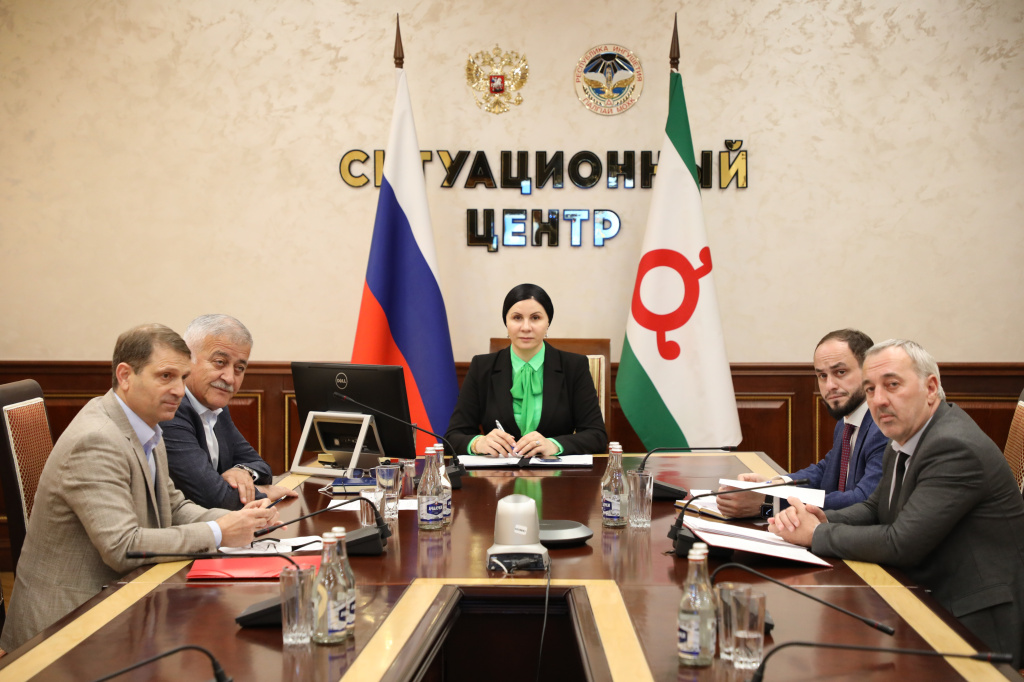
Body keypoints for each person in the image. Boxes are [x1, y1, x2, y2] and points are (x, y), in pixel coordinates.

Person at [0, 324, 279, 652]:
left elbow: (173, 505)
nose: (179, 390)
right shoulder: (96, 439)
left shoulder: (147, 425)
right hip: (67, 628)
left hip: (123, 599)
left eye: (182, 377)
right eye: (165, 376)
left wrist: (240, 522)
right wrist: (218, 532)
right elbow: (123, 547)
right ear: (125, 376)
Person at [769, 339, 1024, 665]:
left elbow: (901, 542)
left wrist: (816, 534)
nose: (878, 400)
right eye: (870, 389)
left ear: (930, 388)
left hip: (973, 620)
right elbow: (874, 507)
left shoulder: (953, 446)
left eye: (892, 385)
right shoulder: (905, 434)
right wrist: (822, 519)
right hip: (925, 592)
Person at [717, 329, 887, 517]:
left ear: (869, 371)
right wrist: (774, 485)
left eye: (840, 372)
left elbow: (863, 501)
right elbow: (826, 470)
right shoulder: (847, 421)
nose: (830, 385)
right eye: (822, 376)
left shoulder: (883, 427)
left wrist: (769, 501)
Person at [445, 283, 608, 457]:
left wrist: (554, 445)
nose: (526, 327)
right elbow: (453, 436)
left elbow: (596, 435)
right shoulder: (481, 367)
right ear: (506, 322)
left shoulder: (574, 366)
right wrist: (478, 443)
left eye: (535, 318)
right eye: (517, 318)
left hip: (556, 472)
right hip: (498, 472)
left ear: (548, 323)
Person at [161, 314, 297, 509]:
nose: (230, 378)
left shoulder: (217, 407)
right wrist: (264, 492)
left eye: (239, 368)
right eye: (220, 362)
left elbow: (260, 466)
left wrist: (243, 471)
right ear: (187, 359)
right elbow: (213, 497)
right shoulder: (171, 409)